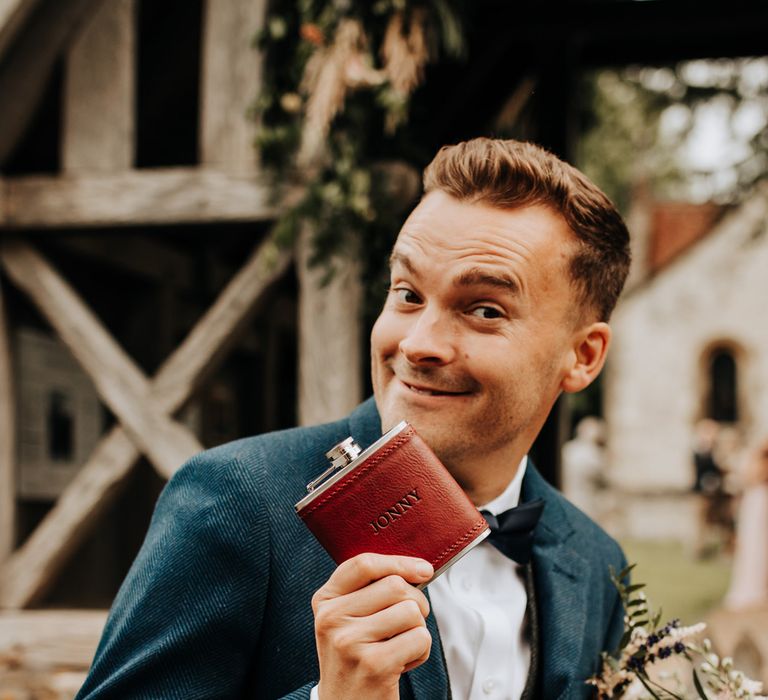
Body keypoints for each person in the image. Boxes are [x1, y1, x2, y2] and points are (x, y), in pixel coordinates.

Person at [76, 138, 631, 700]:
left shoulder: (596, 562)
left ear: (582, 356)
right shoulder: (235, 500)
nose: (418, 344)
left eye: (483, 310)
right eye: (408, 294)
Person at [724, 437, 768, 609]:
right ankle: (753, 585)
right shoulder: (757, 464)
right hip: (757, 503)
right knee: (755, 543)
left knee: (760, 544)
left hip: (758, 503)